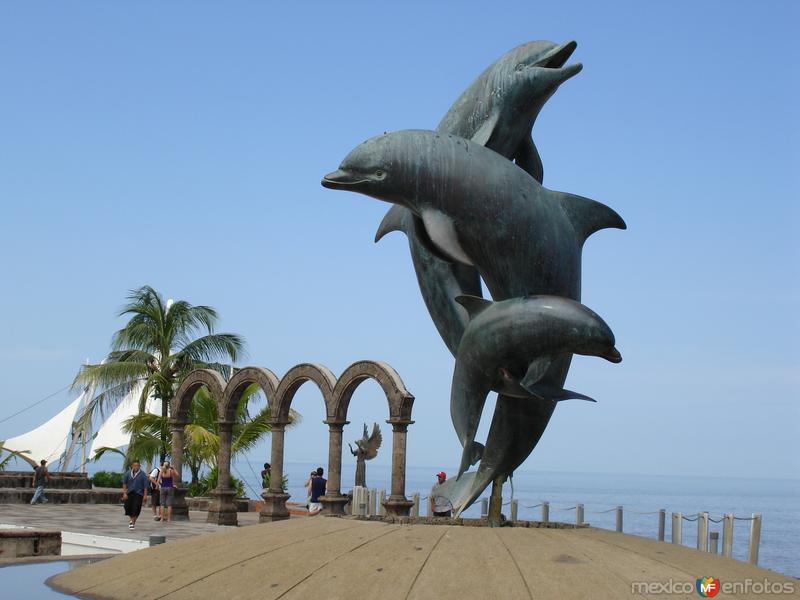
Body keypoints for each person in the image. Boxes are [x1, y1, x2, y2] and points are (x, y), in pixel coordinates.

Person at [122, 461, 149, 530]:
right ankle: (132, 520)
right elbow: (124, 483)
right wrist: (125, 493)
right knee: (127, 507)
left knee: (136, 508)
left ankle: (132, 523)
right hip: (129, 493)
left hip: (139, 494)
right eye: (135, 465)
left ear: (139, 466)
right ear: (132, 466)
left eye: (137, 465)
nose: (136, 467)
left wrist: (145, 496)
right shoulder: (128, 473)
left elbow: (146, 486)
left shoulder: (143, 475)